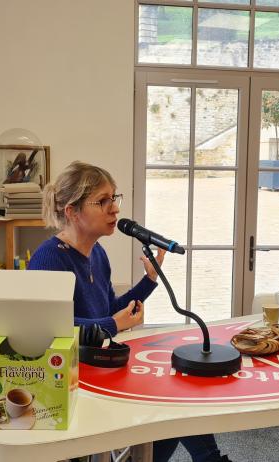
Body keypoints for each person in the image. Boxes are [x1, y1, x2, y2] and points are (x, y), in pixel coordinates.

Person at [29, 161, 230, 462]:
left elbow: (110, 310)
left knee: (178, 395)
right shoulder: (49, 258)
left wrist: (150, 280)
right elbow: (47, 328)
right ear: (72, 212)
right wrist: (113, 323)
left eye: (114, 198)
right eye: (102, 201)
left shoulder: (97, 253)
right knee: (173, 401)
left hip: (102, 364)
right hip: (73, 380)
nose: (114, 209)